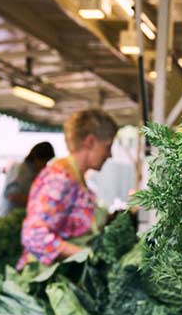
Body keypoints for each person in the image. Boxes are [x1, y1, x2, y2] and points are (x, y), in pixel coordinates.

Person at [18, 111, 116, 266]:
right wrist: (86, 255)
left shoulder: (76, 179)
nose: (110, 155)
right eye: (108, 147)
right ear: (90, 142)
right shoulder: (58, 180)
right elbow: (34, 236)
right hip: (44, 281)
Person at [0, 142, 55, 216]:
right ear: (37, 158)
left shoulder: (37, 173)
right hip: (10, 216)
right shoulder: (19, 169)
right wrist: (39, 200)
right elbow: (12, 196)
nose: (45, 165)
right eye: (45, 161)